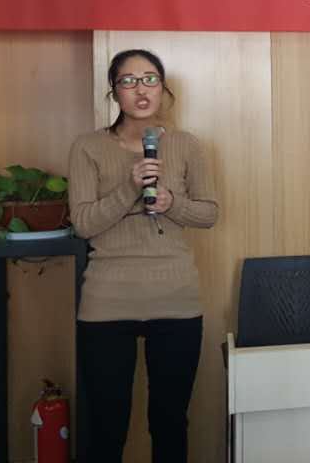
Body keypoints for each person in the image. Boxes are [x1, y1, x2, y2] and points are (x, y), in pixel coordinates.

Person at [69, 49, 219, 462]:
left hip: (175, 297)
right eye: (129, 81)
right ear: (114, 91)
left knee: (170, 423)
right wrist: (129, 188)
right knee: (107, 427)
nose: (141, 89)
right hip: (107, 300)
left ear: (163, 88)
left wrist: (171, 202)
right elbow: (83, 223)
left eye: (150, 79)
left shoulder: (187, 145)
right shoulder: (87, 147)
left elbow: (209, 214)